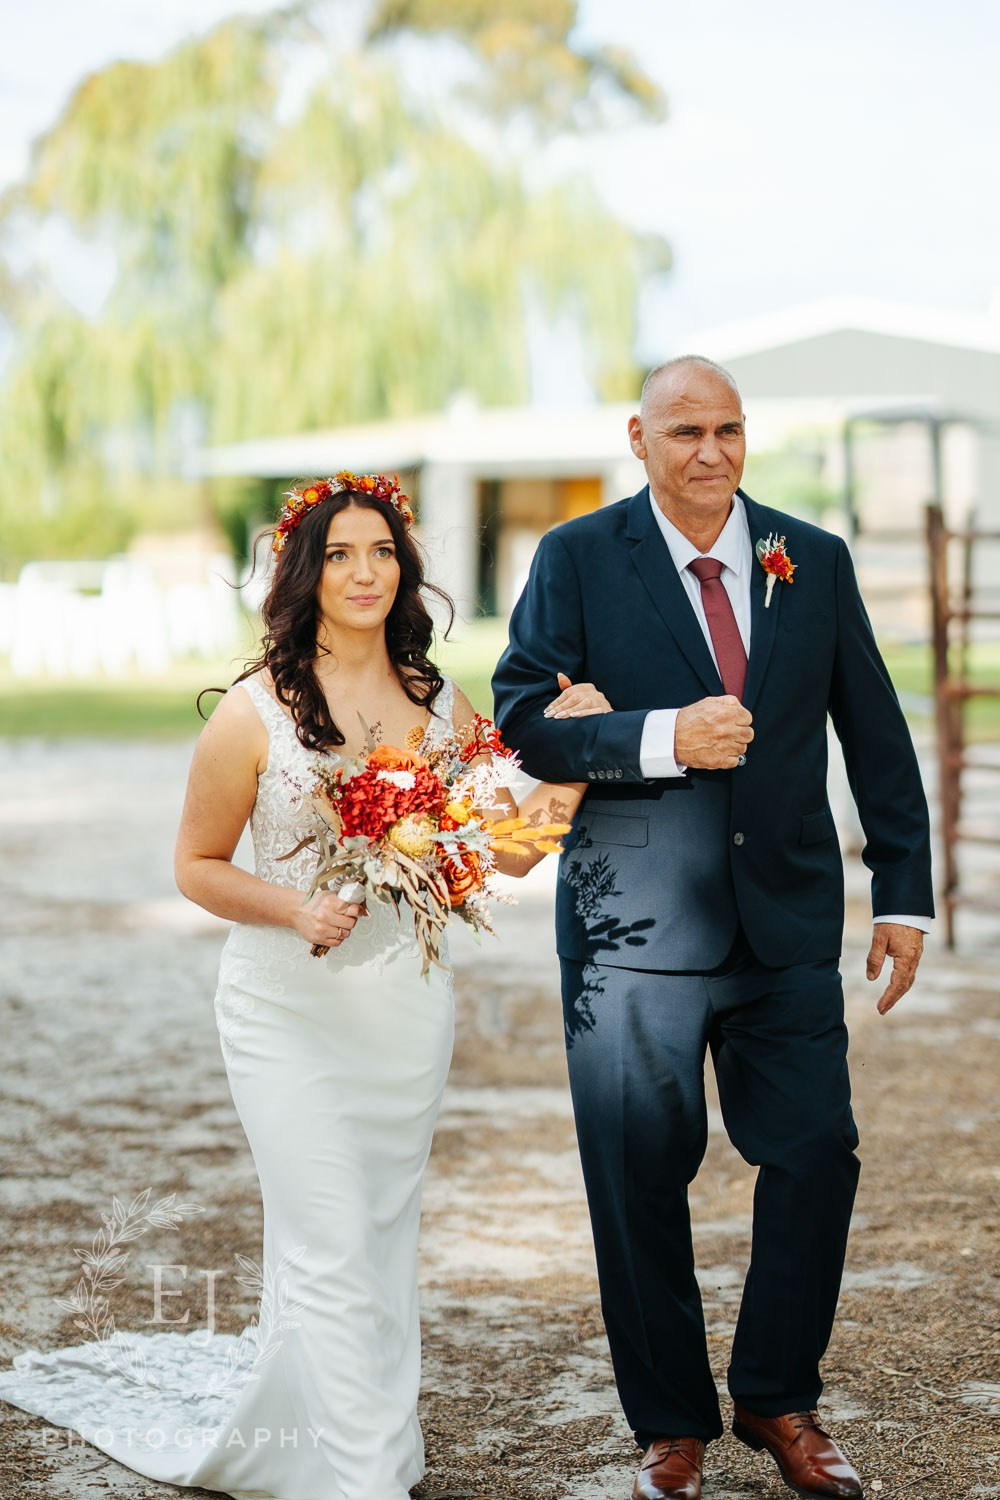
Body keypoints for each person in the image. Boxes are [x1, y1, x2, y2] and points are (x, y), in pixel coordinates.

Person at [0, 473, 608, 1500]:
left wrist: (575, 762)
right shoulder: (254, 714)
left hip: (404, 1014)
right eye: (338, 555)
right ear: (304, 571)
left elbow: (503, 856)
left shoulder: (434, 703)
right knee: (328, 1233)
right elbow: (194, 865)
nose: (363, 572)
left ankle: (319, 1445)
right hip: (285, 1011)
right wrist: (292, 909)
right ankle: (364, 1478)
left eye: (380, 552)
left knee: (373, 1236)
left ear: (403, 569)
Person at [492, 357, 933, 1500]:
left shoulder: (811, 560)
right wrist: (655, 739)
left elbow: (874, 736)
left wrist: (899, 892)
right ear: (637, 438)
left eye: (730, 429)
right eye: (686, 430)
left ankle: (779, 1398)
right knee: (637, 1178)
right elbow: (522, 721)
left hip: (785, 924)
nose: (712, 451)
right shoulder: (578, 558)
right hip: (628, 936)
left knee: (815, 1158)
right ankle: (670, 1426)